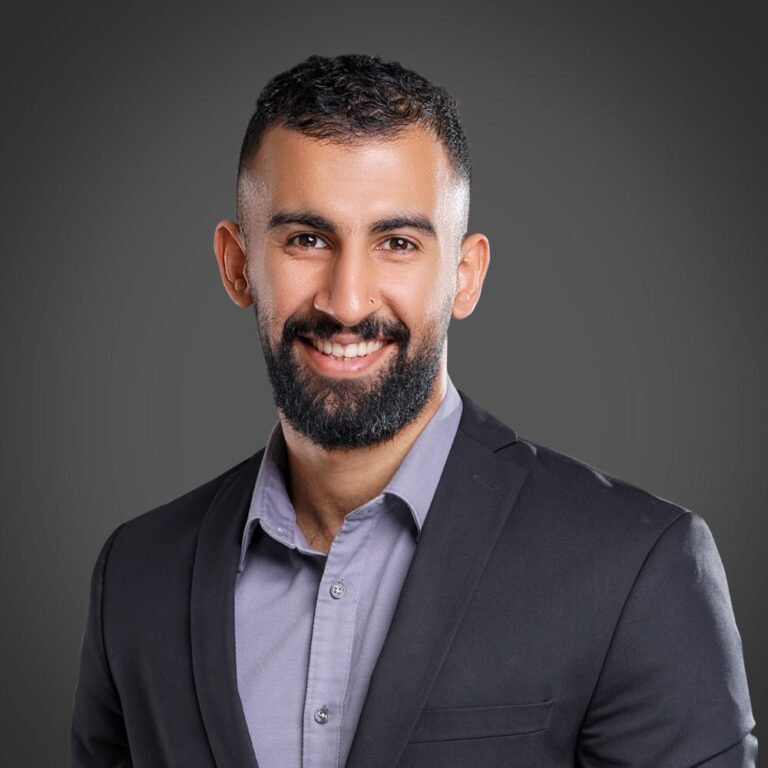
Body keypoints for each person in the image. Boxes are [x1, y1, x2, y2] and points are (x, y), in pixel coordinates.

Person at [70, 54, 757, 768]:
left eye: (397, 243)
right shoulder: (135, 576)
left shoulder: (637, 566)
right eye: (307, 239)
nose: (346, 300)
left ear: (465, 276)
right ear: (237, 264)